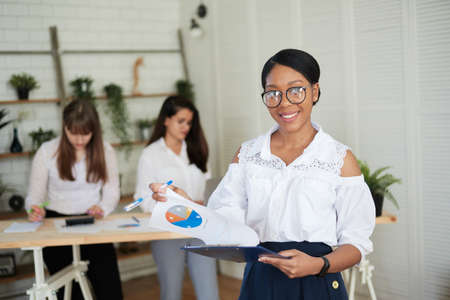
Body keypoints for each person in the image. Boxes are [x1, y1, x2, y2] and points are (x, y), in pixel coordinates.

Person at [150, 49, 376, 300]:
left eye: (296, 90)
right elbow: (225, 221)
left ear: (314, 91)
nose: (284, 102)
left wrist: (318, 264)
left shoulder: (339, 158)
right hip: (261, 280)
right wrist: (185, 204)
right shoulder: (248, 154)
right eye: (273, 93)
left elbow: (356, 244)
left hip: (316, 282)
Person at [26, 99, 123, 300]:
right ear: (64, 127)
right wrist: (34, 208)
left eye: (85, 134)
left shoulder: (105, 151)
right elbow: (34, 196)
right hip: (55, 224)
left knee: (109, 286)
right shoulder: (47, 151)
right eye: (73, 133)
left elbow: (112, 191)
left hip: (93, 221)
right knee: (69, 292)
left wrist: (102, 208)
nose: (79, 139)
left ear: (94, 130)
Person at [134, 96, 219, 300]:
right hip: (168, 231)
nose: (186, 127)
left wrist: (203, 202)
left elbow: (209, 191)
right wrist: (173, 199)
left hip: (200, 228)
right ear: (166, 120)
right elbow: (143, 201)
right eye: (181, 121)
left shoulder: (196, 149)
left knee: (210, 294)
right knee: (170, 293)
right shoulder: (151, 155)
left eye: (189, 122)